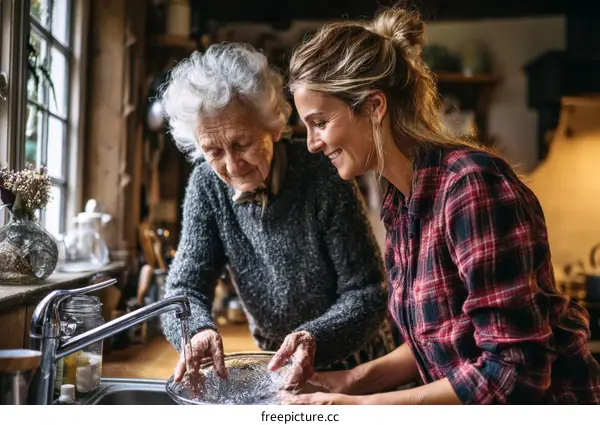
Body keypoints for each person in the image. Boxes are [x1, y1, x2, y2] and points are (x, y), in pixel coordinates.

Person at [284, 7, 600, 404]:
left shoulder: (471, 186)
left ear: (374, 106)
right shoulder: (402, 201)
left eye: (320, 122)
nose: (312, 144)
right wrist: (347, 381)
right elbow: (436, 342)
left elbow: (516, 369)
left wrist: (366, 406)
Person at [158, 42, 396, 390]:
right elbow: (184, 289)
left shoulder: (323, 173)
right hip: (275, 369)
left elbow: (367, 293)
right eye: (213, 150)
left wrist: (312, 338)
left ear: (273, 126)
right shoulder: (207, 185)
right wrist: (196, 331)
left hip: (357, 367)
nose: (232, 164)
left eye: (242, 144)